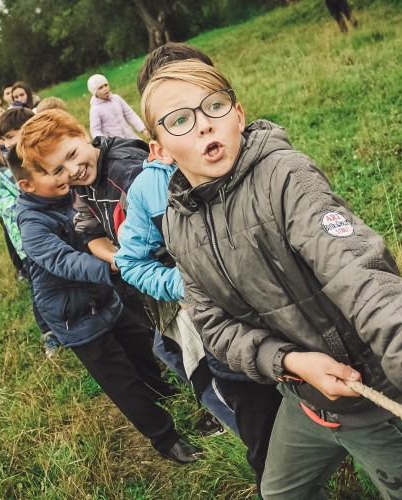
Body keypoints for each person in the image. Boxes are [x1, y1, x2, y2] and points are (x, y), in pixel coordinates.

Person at [141, 60, 402, 498]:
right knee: (278, 493)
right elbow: (214, 327)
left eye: (214, 106)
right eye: (179, 120)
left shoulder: (286, 178)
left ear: (238, 114)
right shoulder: (178, 225)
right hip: (303, 400)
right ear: (159, 150)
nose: (203, 126)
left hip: (378, 404)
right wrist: (289, 362)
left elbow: (360, 276)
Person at [115, 41, 282, 491]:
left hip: (295, 322)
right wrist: (186, 284)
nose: (199, 122)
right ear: (158, 127)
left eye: (206, 99)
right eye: (177, 112)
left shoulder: (267, 160)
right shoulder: (151, 189)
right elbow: (130, 261)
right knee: (266, 446)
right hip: (230, 343)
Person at [9, 124, 201, 465]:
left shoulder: (74, 189)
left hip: (106, 297)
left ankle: (162, 391)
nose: (65, 176)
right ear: (29, 183)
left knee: (142, 348)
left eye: (67, 163)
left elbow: (95, 224)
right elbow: (61, 260)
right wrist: (118, 265)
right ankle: (165, 438)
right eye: (54, 173)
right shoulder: (31, 222)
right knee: (121, 381)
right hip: (75, 316)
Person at [0, 107, 63, 356]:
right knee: (41, 287)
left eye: (13, 135)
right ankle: (48, 332)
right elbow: (7, 206)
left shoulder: (41, 157)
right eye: (4, 139)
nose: (9, 143)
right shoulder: (1, 174)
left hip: (59, 228)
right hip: (28, 242)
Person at [87, 74, 149, 141]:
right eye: (100, 88)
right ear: (94, 92)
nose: (105, 89)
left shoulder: (116, 98)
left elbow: (130, 114)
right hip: (116, 144)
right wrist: (105, 141)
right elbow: (95, 130)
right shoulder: (95, 109)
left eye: (106, 85)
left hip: (130, 136)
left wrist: (142, 128)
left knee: (144, 149)